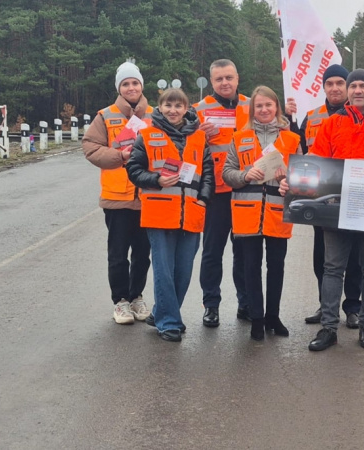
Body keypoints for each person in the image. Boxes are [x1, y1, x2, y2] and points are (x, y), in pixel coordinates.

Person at [281, 69, 364, 351]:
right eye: (353, 86)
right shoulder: (332, 124)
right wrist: (292, 183)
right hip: (337, 209)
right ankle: (329, 328)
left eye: (363, 85)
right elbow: (315, 161)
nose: (357, 91)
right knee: (332, 269)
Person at [126, 88, 214, 342]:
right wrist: (156, 179)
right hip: (159, 212)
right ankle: (169, 322)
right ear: (160, 107)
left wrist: (203, 198)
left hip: (192, 212)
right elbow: (133, 169)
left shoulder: (198, 138)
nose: (173, 110)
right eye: (168, 105)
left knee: (183, 271)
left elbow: (207, 172)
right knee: (164, 270)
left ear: (186, 109)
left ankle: (160, 311)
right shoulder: (147, 135)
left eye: (179, 106)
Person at [287, 64, 363, 328]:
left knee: (354, 257)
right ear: (323, 87)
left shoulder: (360, 114)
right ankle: (325, 303)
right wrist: (288, 120)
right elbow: (298, 151)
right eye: (329, 83)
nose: (334, 88)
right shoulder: (311, 116)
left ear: (348, 85)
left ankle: (353, 307)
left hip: (354, 195)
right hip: (324, 199)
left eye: (340, 83)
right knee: (322, 255)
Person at [223, 86, 301, 341]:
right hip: (246, 212)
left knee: (276, 266)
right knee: (250, 268)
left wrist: (289, 179)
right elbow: (227, 174)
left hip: (278, 211)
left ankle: (273, 317)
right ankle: (256, 318)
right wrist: (245, 175)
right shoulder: (239, 138)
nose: (264, 109)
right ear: (252, 110)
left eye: (269, 105)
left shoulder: (291, 139)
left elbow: (302, 177)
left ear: (277, 107)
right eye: (259, 106)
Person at [82, 61, 152, 325]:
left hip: (148, 197)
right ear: (119, 88)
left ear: (141, 85)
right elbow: (90, 147)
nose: (131, 88)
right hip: (117, 198)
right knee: (118, 254)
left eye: (135, 82)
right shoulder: (106, 115)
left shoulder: (155, 115)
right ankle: (120, 301)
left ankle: (137, 297)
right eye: (126, 84)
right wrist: (119, 155)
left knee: (143, 254)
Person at [193, 59, 250, 328]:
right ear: (211, 81)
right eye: (219, 79)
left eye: (229, 77)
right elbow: (185, 147)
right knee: (212, 252)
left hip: (246, 189)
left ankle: (245, 303)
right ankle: (211, 305)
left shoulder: (253, 105)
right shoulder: (199, 110)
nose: (225, 83)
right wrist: (196, 134)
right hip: (216, 192)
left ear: (238, 78)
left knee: (244, 252)